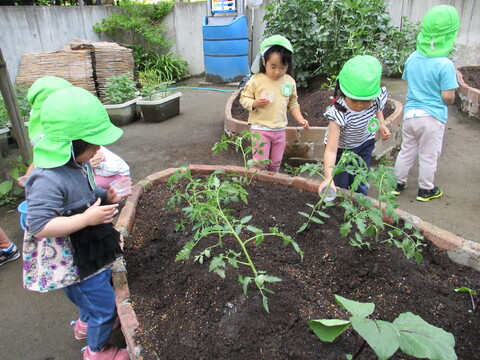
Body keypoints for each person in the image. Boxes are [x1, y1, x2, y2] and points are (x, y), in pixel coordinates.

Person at [23, 86, 130, 360]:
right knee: (104, 306)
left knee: (97, 292)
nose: (98, 150)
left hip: (88, 249)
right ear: (72, 144)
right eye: (93, 144)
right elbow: (38, 225)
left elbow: (84, 193)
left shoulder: (75, 164)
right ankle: (97, 350)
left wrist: (107, 195)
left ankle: (87, 321)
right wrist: (85, 218)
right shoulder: (47, 178)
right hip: (74, 259)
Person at [392, 5, 460, 202]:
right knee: (428, 154)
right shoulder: (445, 64)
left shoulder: (413, 57)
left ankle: (397, 183)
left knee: (407, 150)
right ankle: (426, 189)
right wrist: (449, 98)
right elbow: (448, 97)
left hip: (411, 114)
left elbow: (409, 79)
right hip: (432, 117)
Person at [319, 55, 390, 195]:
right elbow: (331, 150)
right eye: (354, 100)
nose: (360, 105)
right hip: (341, 151)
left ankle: (359, 207)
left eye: (366, 100)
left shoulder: (375, 98)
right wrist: (328, 178)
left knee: (361, 179)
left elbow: (378, 108)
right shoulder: (339, 113)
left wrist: (381, 124)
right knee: (341, 184)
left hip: (365, 144)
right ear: (343, 91)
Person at [239, 35, 309, 172]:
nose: (277, 72)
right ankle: (256, 183)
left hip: (279, 130)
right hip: (261, 129)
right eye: (273, 66)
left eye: (283, 67)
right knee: (260, 162)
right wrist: (255, 103)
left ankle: (272, 185)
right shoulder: (256, 80)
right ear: (264, 61)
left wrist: (300, 119)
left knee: (276, 162)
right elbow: (244, 98)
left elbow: (292, 104)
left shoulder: (289, 81)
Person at [18, 76, 74, 185]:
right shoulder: (41, 131)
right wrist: (28, 176)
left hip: (75, 179)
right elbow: (39, 159)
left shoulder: (74, 131)